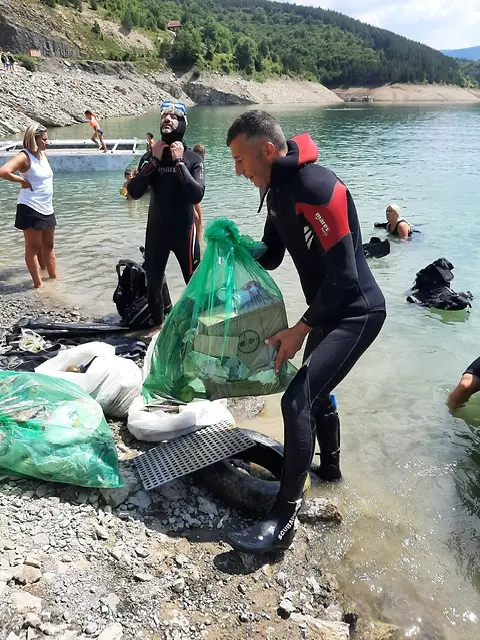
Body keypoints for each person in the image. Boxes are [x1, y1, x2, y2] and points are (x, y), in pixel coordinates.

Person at [225, 110, 386, 554]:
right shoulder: (275, 192)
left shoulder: (319, 188)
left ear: (268, 150)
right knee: (315, 393)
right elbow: (274, 253)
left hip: (356, 312)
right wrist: (233, 251)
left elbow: (347, 279)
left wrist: (301, 328)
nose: (238, 171)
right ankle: (331, 473)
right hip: (327, 310)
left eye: (241, 160)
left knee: (296, 399)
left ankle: (283, 518)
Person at [127, 101, 205, 325]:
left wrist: (179, 161)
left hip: (185, 234)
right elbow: (133, 192)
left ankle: (196, 330)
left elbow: (196, 194)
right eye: (164, 116)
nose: (167, 119)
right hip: (157, 233)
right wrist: (153, 162)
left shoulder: (193, 159)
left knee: (195, 286)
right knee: (153, 285)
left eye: (174, 116)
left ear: (183, 124)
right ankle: (157, 333)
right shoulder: (151, 157)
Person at [0, 124, 57, 289]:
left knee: (49, 246)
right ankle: (38, 284)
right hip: (30, 206)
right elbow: (3, 171)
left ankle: (54, 280)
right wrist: (22, 181)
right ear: (34, 139)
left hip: (47, 207)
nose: (47, 142)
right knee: (33, 247)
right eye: (44, 139)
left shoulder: (42, 154)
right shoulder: (24, 156)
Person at [192, 144, 206, 242]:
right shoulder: (194, 162)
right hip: (189, 193)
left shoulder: (196, 162)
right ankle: (197, 243)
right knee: (197, 217)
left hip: (194, 193)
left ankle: (199, 243)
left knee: (199, 219)